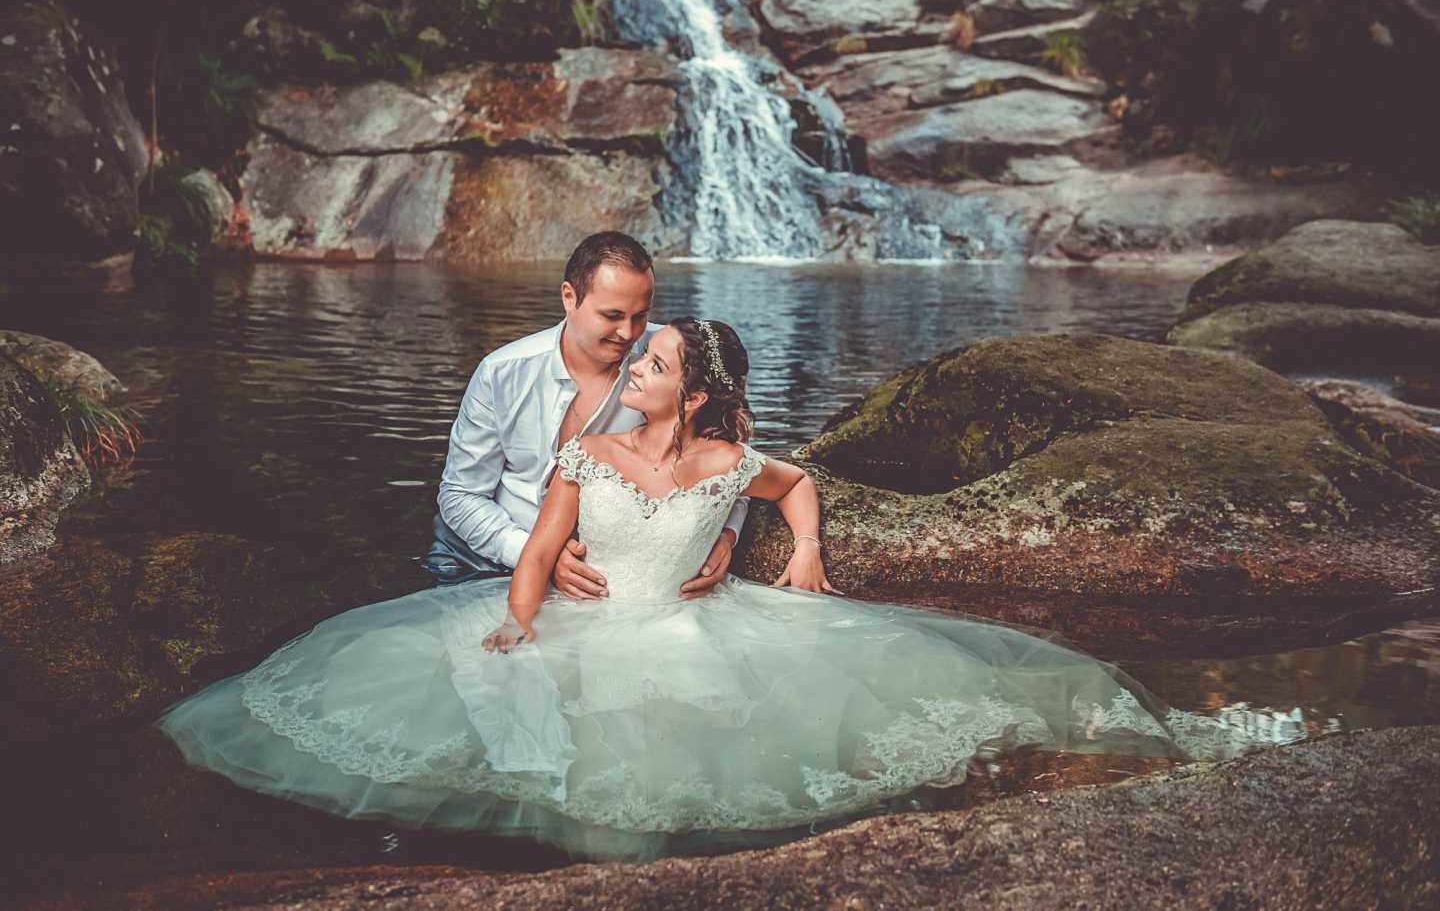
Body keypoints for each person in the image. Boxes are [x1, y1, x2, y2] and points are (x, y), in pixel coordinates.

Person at [157, 317, 1267, 861]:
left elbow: (798, 486)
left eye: (650, 363)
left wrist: (809, 557)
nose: (630, 368)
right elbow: (540, 547)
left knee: (696, 765)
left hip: (695, 631)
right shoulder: (586, 453)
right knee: (555, 754)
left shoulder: (733, 463)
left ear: (692, 394)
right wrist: (518, 620)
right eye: (631, 354)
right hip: (587, 625)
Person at [422, 231, 746, 602]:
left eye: (641, 316)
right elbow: (460, 495)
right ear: (569, 298)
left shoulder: (671, 363)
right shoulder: (501, 373)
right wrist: (536, 555)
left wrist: (725, 536)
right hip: (477, 557)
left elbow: (726, 466)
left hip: (603, 577)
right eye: (612, 316)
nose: (628, 333)